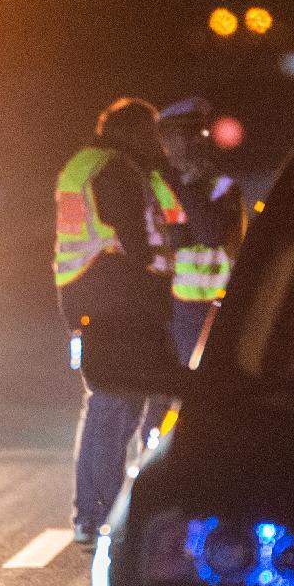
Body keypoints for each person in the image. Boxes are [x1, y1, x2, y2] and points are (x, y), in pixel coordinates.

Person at [53, 98, 183, 544]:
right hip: (116, 300)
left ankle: (92, 514)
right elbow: (135, 241)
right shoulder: (115, 169)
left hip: (93, 297)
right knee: (114, 406)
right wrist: (153, 260)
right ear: (131, 133)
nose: (156, 143)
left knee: (111, 404)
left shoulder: (88, 164)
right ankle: (99, 515)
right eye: (150, 133)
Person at [155, 98, 242, 362]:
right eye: (182, 135)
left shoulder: (221, 183)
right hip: (181, 306)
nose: (192, 143)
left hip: (220, 302)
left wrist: (184, 187)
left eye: (196, 133)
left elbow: (210, 234)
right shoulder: (160, 185)